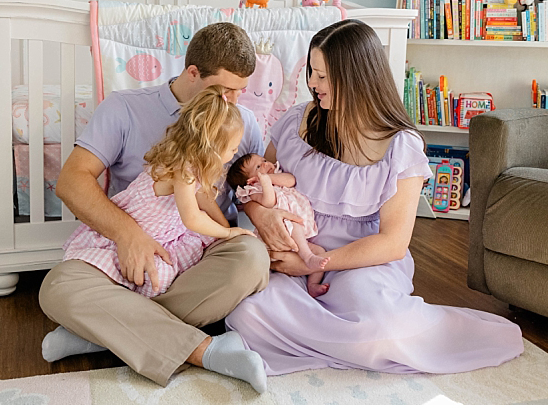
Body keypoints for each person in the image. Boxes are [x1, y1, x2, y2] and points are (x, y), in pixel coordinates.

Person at [228, 19, 524, 375]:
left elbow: (392, 243)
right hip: (295, 254)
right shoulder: (297, 123)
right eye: (311, 72)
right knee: (247, 314)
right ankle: (337, 347)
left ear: (355, 78)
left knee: (379, 329)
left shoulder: (401, 147)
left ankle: (327, 346)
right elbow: (254, 189)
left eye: (322, 76)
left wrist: (316, 264)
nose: (312, 84)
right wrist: (265, 220)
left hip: (361, 262)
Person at [39, 23, 273, 393]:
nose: (234, 101)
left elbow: (258, 182)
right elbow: (72, 181)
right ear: (192, 73)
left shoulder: (242, 121)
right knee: (57, 288)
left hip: (198, 253)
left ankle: (103, 332)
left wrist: (263, 218)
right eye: (225, 90)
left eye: (241, 91)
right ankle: (205, 350)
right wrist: (127, 235)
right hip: (125, 257)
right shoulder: (124, 108)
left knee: (253, 259)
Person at [63, 86, 256, 299]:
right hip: (146, 233)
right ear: (211, 147)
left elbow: (204, 199)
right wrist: (227, 233)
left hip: (168, 233)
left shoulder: (197, 167)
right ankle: (139, 305)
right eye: (232, 148)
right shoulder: (183, 170)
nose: (236, 152)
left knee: (204, 244)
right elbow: (192, 218)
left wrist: (225, 230)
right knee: (160, 276)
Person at [227, 153, 330, 297]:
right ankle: (307, 257)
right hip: (281, 233)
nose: (264, 163)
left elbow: (291, 180)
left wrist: (269, 177)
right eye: (258, 166)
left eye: (263, 160)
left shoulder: (276, 176)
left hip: (296, 238)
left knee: (320, 251)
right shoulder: (254, 190)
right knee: (294, 226)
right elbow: (269, 202)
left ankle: (312, 285)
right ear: (250, 181)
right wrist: (265, 183)